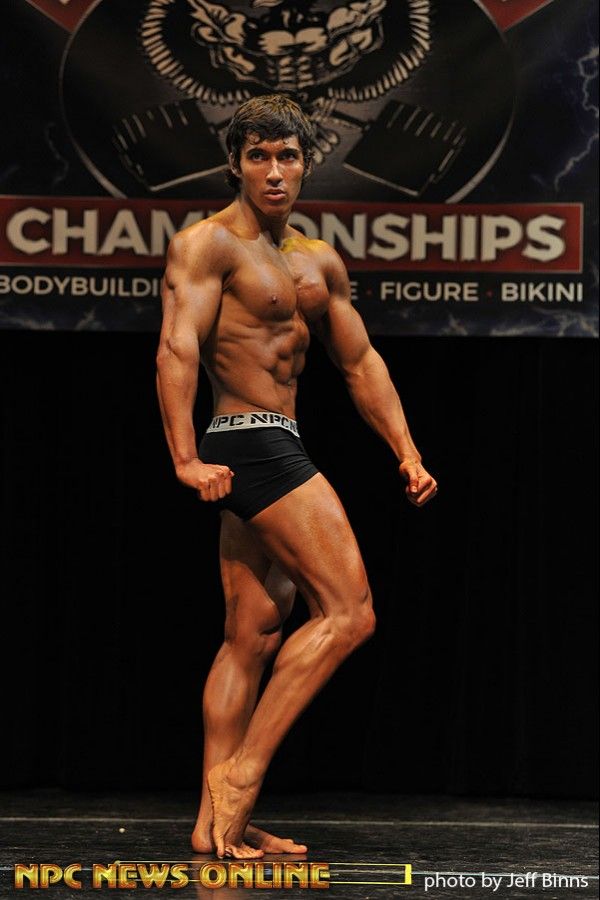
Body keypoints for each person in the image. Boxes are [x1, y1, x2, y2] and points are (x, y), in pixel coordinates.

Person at [156, 93, 437, 861]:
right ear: (236, 164)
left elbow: (360, 362)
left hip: (277, 438)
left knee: (250, 636)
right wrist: (184, 458)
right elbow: (178, 349)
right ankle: (241, 775)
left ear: (308, 164)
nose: (274, 171)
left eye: (287, 156)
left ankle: (216, 826)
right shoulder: (207, 245)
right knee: (350, 612)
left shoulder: (317, 261)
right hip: (249, 443)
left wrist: (406, 451)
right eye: (258, 156)